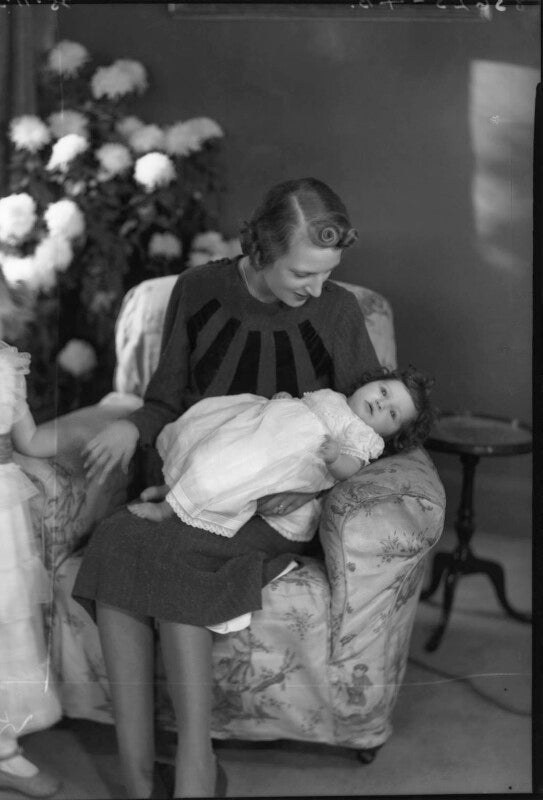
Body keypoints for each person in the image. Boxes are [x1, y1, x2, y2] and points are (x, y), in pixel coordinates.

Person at [74, 177, 383, 799]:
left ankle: (195, 762)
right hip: (194, 483)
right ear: (262, 248)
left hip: (272, 506)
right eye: (303, 273)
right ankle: (138, 777)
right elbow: (163, 400)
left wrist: (316, 491)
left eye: (328, 273)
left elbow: (374, 427)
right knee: (116, 540)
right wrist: (131, 427)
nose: (317, 288)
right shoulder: (197, 290)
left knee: (174, 553)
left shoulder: (338, 312)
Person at [0, 249, 63, 798]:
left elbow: (30, 439)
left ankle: (2, 750)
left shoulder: (6, 371)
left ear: (4, 316)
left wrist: (89, 432)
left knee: (3, 625)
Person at [128, 366, 434, 542]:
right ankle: (171, 488)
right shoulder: (334, 397)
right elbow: (303, 409)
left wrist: (334, 459)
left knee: (223, 474)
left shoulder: (364, 436)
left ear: (390, 435)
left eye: (392, 413)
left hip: (278, 460)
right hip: (259, 431)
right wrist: (285, 402)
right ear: (370, 383)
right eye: (383, 391)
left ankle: (166, 510)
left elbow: (351, 469)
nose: (381, 403)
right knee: (208, 443)